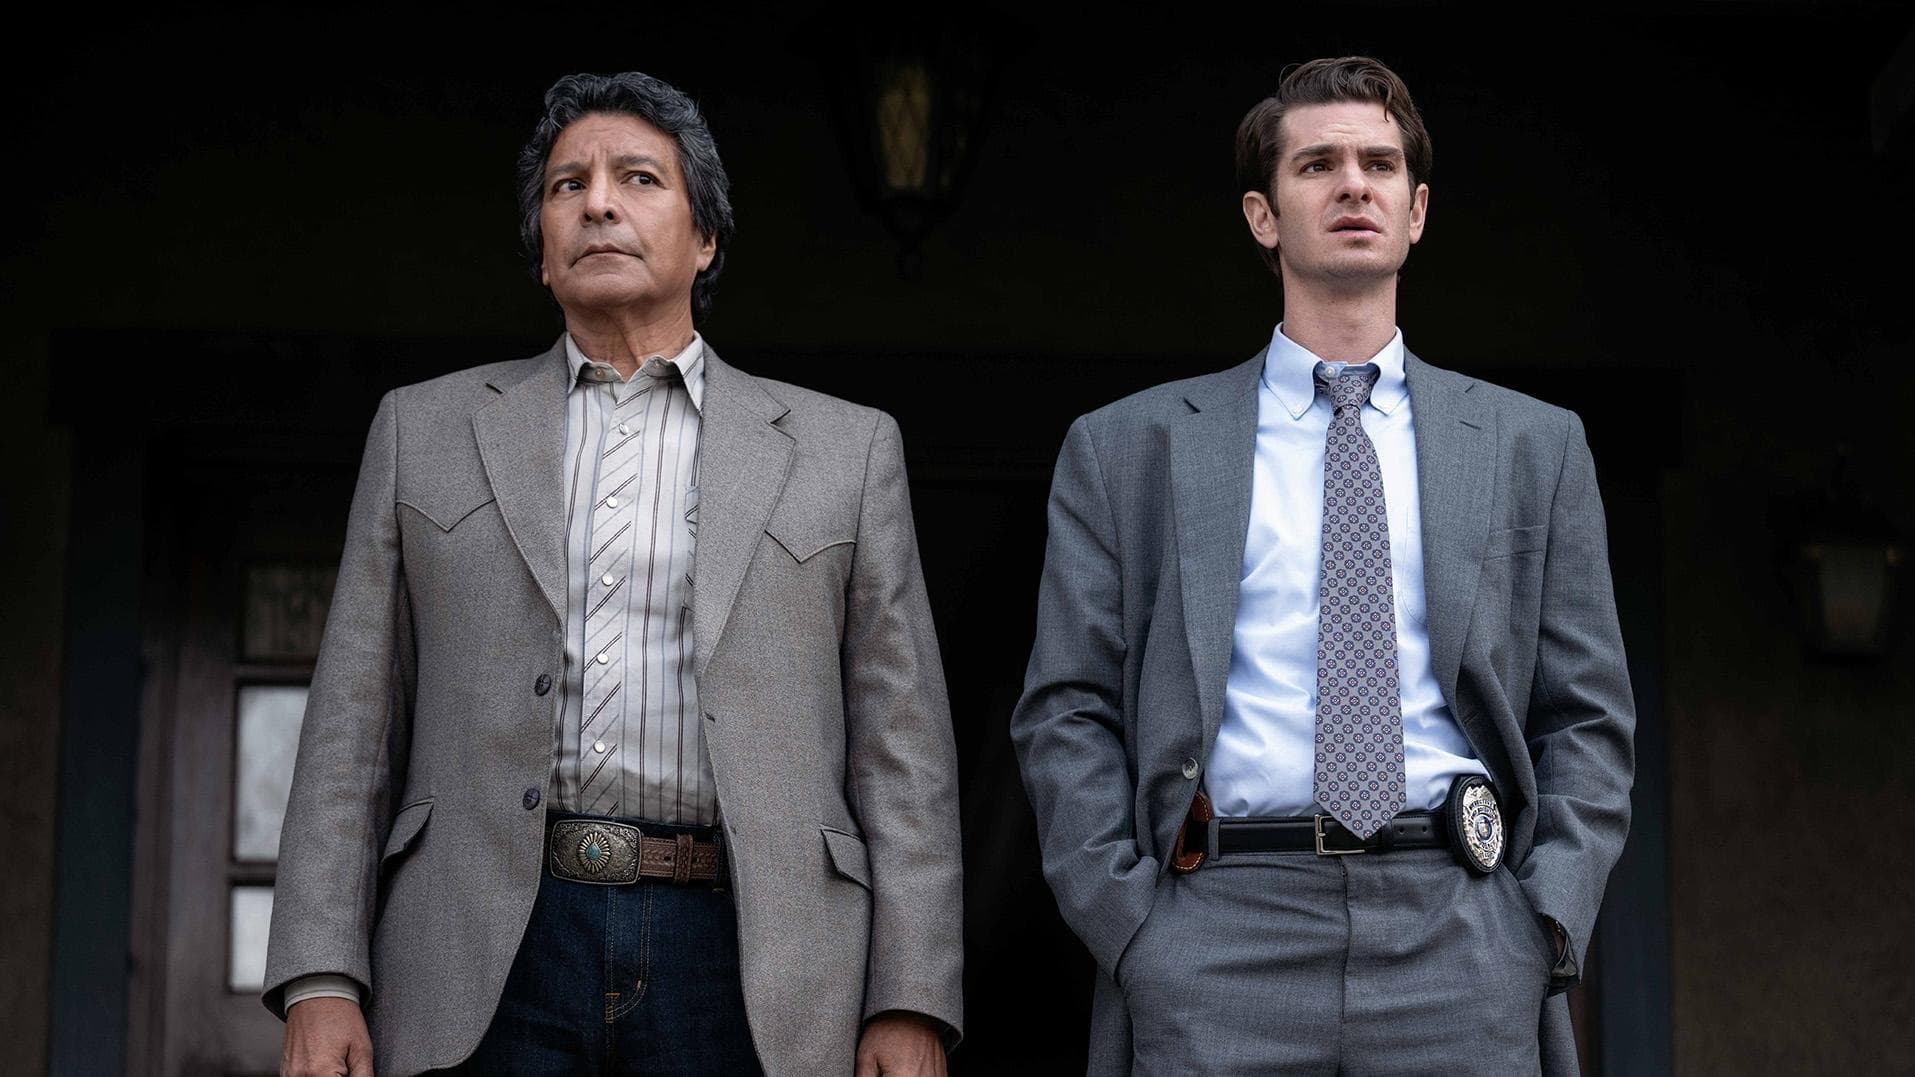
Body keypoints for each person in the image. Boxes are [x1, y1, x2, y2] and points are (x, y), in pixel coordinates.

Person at [263, 70, 962, 1076]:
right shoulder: (425, 431)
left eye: (639, 178)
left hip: (750, 954)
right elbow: (351, 728)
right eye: (567, 186)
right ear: (542, 250)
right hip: (480, 948)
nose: (597, 203)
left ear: (705, 236)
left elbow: (903, 751)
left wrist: (911, 997)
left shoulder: (843, 451)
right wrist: (320, 975)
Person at [1011, 56, 1634, 1075]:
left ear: (1416, 210)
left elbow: (1588, 715)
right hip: (1216, 930)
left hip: (1460, 932)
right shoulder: (1127, 447)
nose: (1353, 184)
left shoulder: (1532, 444)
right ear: (1262, 216)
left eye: (1379, 165)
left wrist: (1542, 922)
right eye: (1318, 165)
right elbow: (1065, 708)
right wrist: (1133, 930)